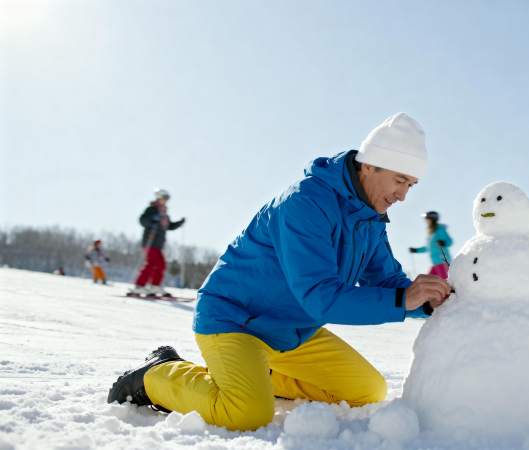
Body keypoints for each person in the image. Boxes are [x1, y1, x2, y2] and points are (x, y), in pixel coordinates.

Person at [108, 113, 451, 431]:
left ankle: (255, 375)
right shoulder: (306, 203)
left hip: (290, 333)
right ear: (371, 166)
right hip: (235, 321)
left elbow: (387, 281)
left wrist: (427, 302)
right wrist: (402, 299)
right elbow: (320, 295)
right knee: (246, 413)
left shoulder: (369, 219)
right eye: (400, 180)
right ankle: (157, 373)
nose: (404, 196)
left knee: (367, 390)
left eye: (412, 185)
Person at [128, 189, 185, 297]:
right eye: (164, 198)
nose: (165, 201)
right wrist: (152, 220)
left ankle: (154, 286)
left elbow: (169, 226)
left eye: (167, 199)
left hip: (158, 244)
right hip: (150, 241)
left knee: (161, 265)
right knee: (151, 263)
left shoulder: (164, 213)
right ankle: (139, 286)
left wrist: (179, 223)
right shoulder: (152, 209)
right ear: (158, 197)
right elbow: (142, 220)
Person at [409, 211, 453, 279]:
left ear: (432, 219)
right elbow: (427, 248)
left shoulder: (440, 230)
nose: (426, 221)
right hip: (435, 263)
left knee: (445, 282)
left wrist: (443, 242)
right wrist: (416, 250)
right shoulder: (431, 234)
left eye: (427, 219)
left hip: (442, 261)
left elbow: (449, 241)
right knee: (428, 281)